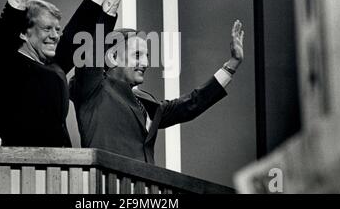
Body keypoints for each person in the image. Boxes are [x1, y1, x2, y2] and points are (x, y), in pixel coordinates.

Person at [0, 0, 128, 147]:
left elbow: (81, 29)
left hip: (61, 171)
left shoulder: (53, 64)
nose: (55, 35)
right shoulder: (4, 64)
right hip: (21, 171)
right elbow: (7, 26)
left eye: (56, 29)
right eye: (47, 29)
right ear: (23, 32)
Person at [70, 17, 244, 163]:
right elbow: (92, 50)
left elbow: (192, 103)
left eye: (147, 56)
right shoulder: (92, 88)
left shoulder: (145, 101)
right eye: (137, 55)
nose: (145, 63)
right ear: (113, 56)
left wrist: (232, 65)